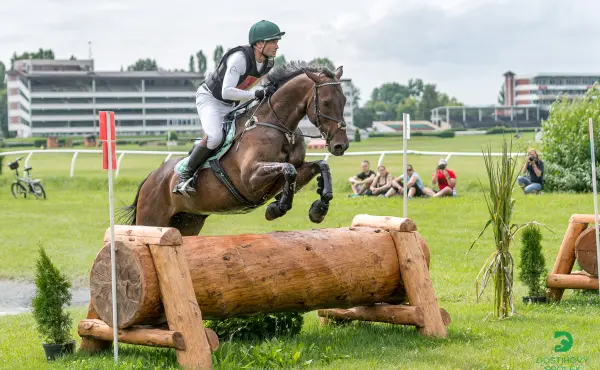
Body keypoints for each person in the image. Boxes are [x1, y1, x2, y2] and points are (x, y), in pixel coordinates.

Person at [173, 20, 285, 196]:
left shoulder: (267, 63)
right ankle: (184, 176)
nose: (277, 46)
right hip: (210, 99)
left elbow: (259, 88)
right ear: (259, 44)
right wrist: (255, 94)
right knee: (215, 137)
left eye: (277, 42)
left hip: (232, 104)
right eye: (273, 42)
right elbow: (226, 92)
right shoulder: (239, 58)